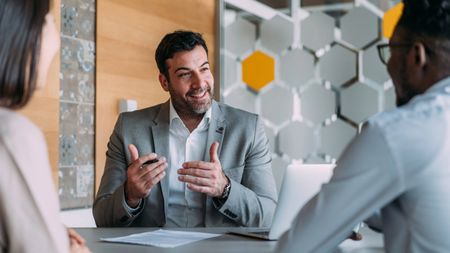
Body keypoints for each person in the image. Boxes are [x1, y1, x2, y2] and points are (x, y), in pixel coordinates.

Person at [277, 0, 450, 252]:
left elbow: (296, 249)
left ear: (417, 56)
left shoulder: (395, 132)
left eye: (391, 51)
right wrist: (359, 205)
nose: (388, 64)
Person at [93, 30, 277, 227]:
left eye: (204, 69)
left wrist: (225, 188)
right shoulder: (129, 128)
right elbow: (103, 218)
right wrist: (130, 195)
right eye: (185, 74)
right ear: (165, 82)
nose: (199, 83)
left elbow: (268, 215)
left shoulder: (248, 128)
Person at [0, 0, 91, 252]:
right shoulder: (13, 136)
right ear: (19, 32)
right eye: (50, 22)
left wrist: (50, 230)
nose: (57, 40)